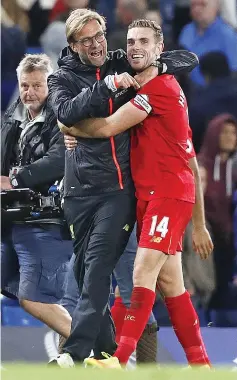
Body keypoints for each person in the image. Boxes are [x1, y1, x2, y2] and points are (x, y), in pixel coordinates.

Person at [48, 8, 199, 367]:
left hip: (121, 191)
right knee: (92, 277)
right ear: (73, 45)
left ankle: (75, 354)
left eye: (100, 35)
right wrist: (105, 88)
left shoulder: (122, 62)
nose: (97, 43)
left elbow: (186, 59)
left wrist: (155, 67)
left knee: (108, 271)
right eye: (87, 40)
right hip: (81, 191)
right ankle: (106, 355)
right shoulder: (61, 79)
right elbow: (65, 111)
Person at [1, 53, 72, 338]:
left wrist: (15, 178)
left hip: (45, 222)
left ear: (50, 85)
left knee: (35, 300)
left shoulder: (63, 119)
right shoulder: (12, 120)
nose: (29, 92)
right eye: (24, 85)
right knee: (30, 297)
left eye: (37, 86)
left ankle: (94, 348)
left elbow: (59, 161)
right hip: (10, 221)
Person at [179, 0, 237, 86]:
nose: (197, 9)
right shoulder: (186, 31)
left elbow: (233, 73)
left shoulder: (228, 35)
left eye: (202, 4)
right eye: (193, 5)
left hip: (217, 93)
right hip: (188, 90)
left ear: (216, 6)